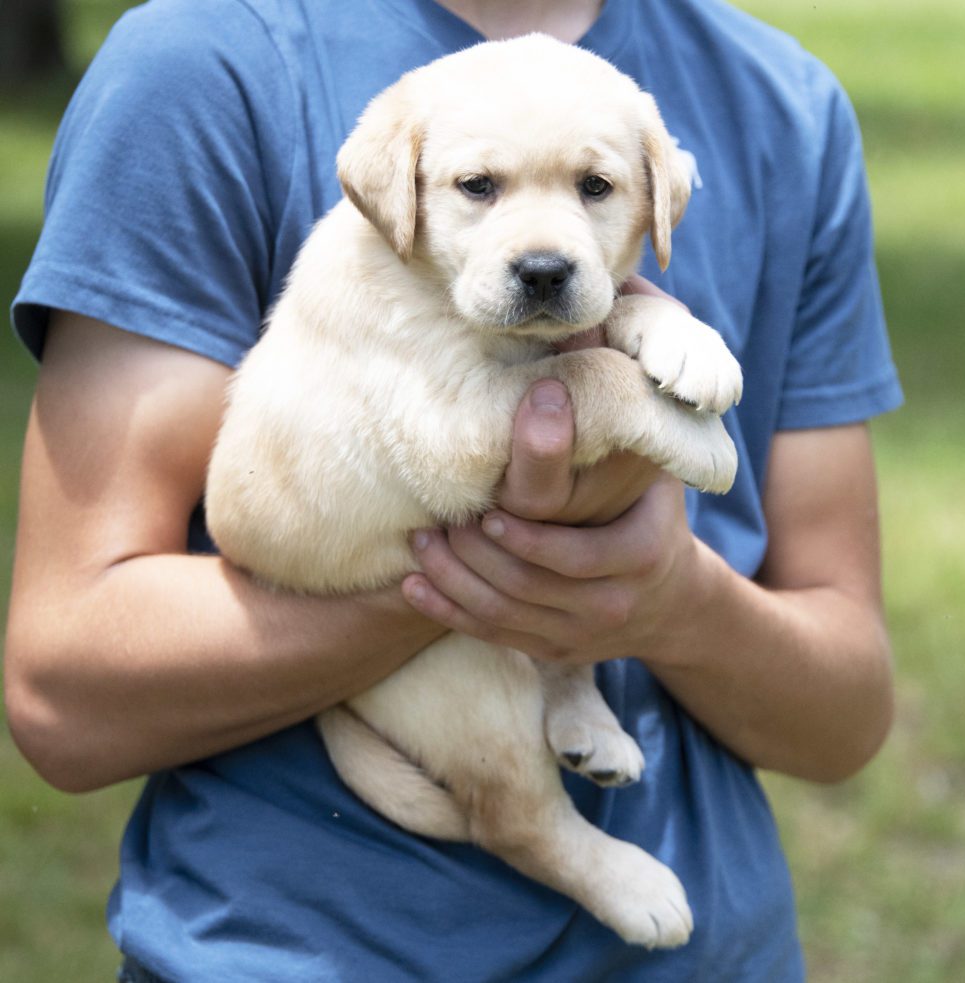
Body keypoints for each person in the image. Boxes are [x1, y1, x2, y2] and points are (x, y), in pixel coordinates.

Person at [4, 0, 903, 979]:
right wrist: (472, 578)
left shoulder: (784, 101)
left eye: (597, 188)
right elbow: (64, 693)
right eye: (479, 187)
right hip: (296, 952)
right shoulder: (203, 68)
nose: (545, 244)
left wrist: (669, 601)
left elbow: (845, 715)